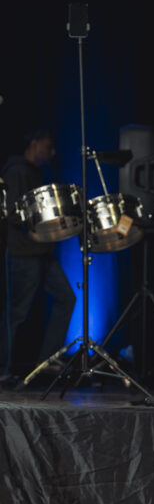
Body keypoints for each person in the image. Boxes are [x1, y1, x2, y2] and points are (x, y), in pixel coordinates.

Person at [0, 130, 76, 377]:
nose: (52, 152)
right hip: (23, 252)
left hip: (42, 251)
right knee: (16, 313)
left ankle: (46, 360)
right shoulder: (16, 171)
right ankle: (2, 369)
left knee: (67, 298)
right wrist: (40, 219)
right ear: (34, 144)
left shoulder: (37, 173)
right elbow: (10, 212)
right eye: (48, 146)